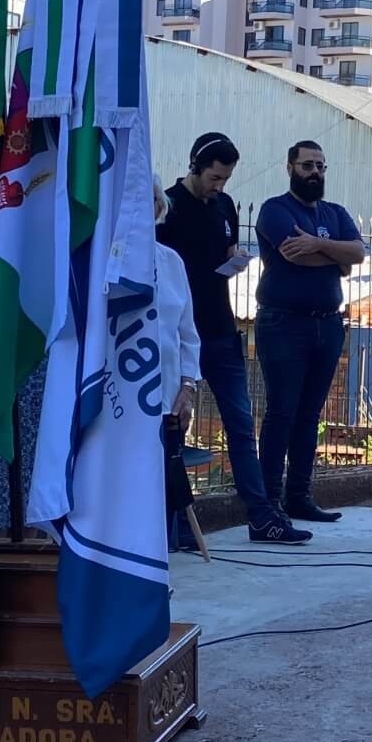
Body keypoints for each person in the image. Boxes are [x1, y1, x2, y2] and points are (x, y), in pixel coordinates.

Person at [156, 133, 292, 543]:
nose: (220, 186)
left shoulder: (225, 206)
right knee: (173, 429)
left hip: (219, 329)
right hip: (182, 334)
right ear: (196, 166)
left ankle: (260, 514)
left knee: (239, 422)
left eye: (226, 179)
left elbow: (226, 248)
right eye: (215, 177)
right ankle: (176, 521)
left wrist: (234, 261)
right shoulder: (168, 207)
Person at [253, 141, 364, 541]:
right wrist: (336, 256)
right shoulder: (275, 209)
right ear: (290, 167)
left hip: (328, 324)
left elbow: (359, 254)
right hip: (284, 323)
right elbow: (293, 255)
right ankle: (267, 503)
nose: (315, 171)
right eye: (307, 165)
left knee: (310, 414)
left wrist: (319, 245)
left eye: (320, 165)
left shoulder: (334, 213)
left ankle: (299, 496)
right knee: (282, 411)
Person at [153, 177, 202, 554]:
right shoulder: (103, 260)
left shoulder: (171, 262)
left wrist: (188, 387)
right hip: (122, 400)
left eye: (152, 200)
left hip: (168, 397)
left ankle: (162, 555)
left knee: (163, 484)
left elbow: (187, 334)